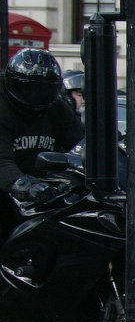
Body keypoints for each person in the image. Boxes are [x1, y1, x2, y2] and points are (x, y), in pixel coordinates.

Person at [1, 50, 84, 241]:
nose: (36, 96)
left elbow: (80, 144)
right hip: (9, 188)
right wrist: (21, 184)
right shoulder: (3, 107)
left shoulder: (57, 108)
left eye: (44, 90)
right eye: (28, 89)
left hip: (40, 190)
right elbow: (1, 158)